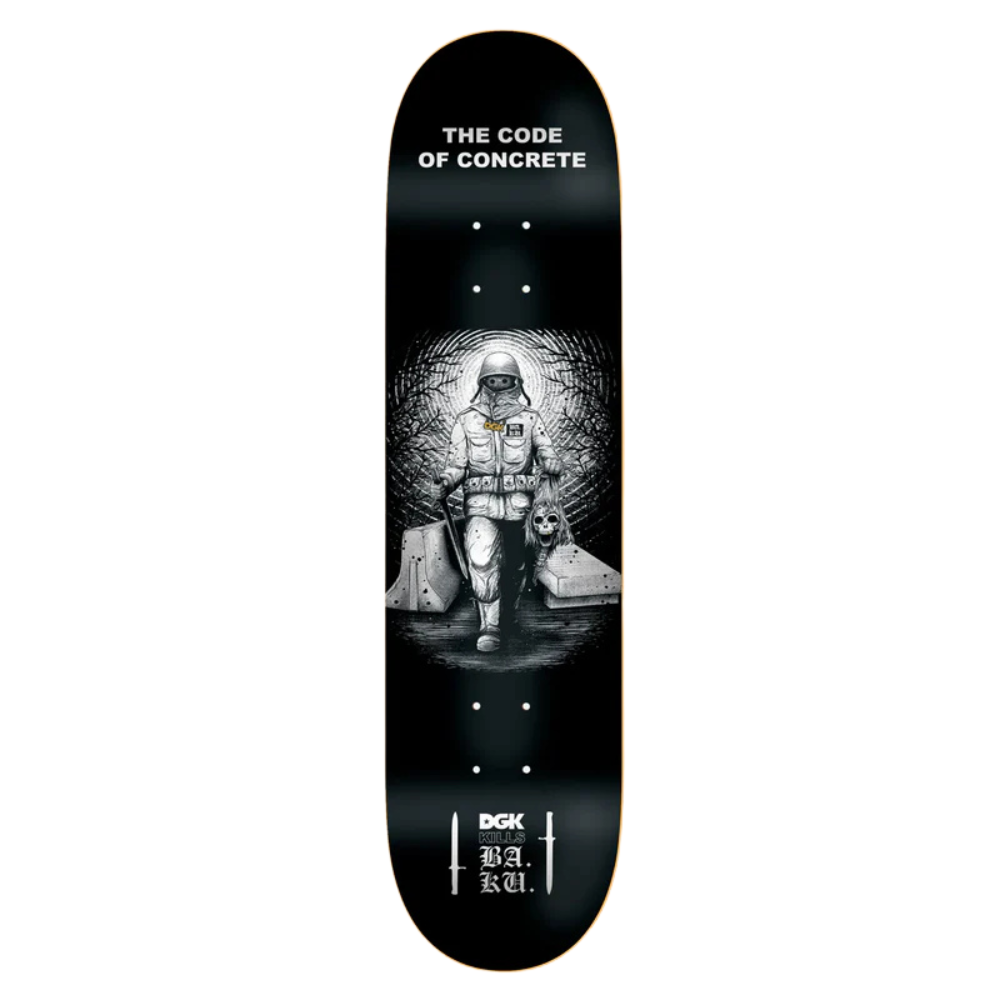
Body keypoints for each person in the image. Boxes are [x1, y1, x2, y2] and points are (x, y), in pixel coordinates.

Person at [435, 352, 563, 651]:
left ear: (516, 381)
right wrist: (447, 480)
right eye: (492, 379)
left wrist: (552, 460)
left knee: (516, 565)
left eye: (504, 379)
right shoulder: (467, 419)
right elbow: (457, 464)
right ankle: (488, 627)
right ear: (483, 381)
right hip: (480, 505)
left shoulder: (529, 418)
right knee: (481, 560)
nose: (498, 384)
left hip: (521, 507)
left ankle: (509, 614)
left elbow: (545, 448)